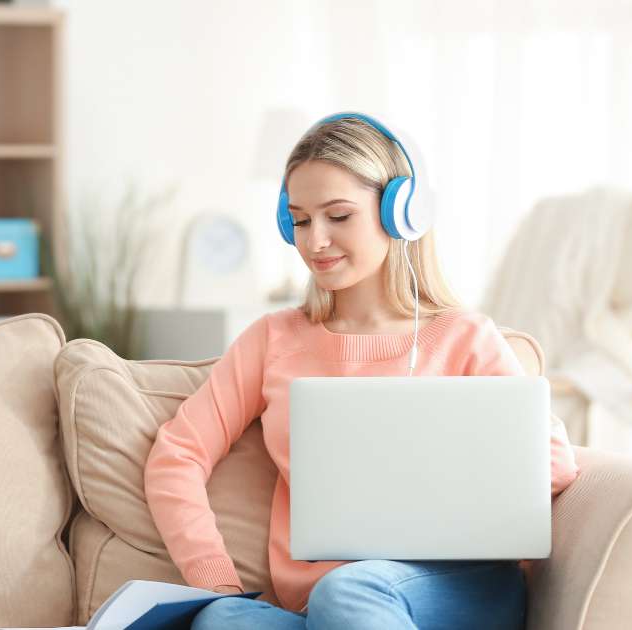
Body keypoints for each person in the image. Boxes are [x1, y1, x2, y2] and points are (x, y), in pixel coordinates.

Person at [143, 112, 580, 630]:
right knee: (222, 621)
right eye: (300, 220)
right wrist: (214, 578)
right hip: (319, 607)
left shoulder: (465, 337)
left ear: (400, 215)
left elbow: (553, 465)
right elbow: (177, 455)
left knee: (348, 591)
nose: (315, 241)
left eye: (338, 216)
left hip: (456, 587)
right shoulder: (273, 339)